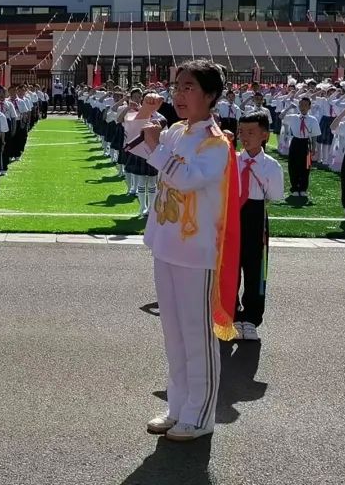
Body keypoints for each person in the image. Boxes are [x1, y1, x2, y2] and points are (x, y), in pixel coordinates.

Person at [130, 59, 237, 442]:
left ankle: (200, 414)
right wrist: (143, 114)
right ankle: (177, 407)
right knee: (173, 333)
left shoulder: (216, 143)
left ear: (210, 96)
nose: (179, 94)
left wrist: (157, 149)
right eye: (177, 86)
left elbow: (189, 180)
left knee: (197, 335)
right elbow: (136, 142)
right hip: (166, 244)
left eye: (189, 87)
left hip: (197, 251)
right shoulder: (176, 131)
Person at [234, 111, 283, 341]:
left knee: (256, 269)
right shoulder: (231, 160)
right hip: (234, 216)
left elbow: (274, 195)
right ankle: (231, 315)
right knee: (230, 268)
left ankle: (251, 318)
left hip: (256, 217)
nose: (245, 137)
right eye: (241, 132)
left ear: (265, 135)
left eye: (251, 132)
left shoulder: (271, 166)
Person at [280, 97, 320, 197]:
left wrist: (314, 148)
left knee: (306, 166)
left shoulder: (313, 119)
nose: (303, 107)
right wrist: (289, 107)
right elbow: (281, 116)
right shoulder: (293, 117)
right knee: (293, 166)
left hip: (307, 143)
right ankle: (294, 188)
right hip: (295, 142)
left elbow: (314, 135)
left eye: (306, 105)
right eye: (301, 105)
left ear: (309, 107)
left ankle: (303, 188)